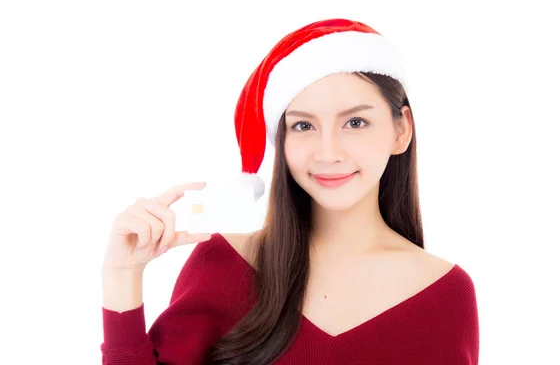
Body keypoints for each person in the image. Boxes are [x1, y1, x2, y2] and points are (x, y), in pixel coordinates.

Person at [100, 18, 480, 364]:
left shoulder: (444, 295)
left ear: (401, 130)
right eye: (303, 126)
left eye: (356, 122)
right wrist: (121, 275)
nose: (328, 152)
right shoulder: (221, 264)